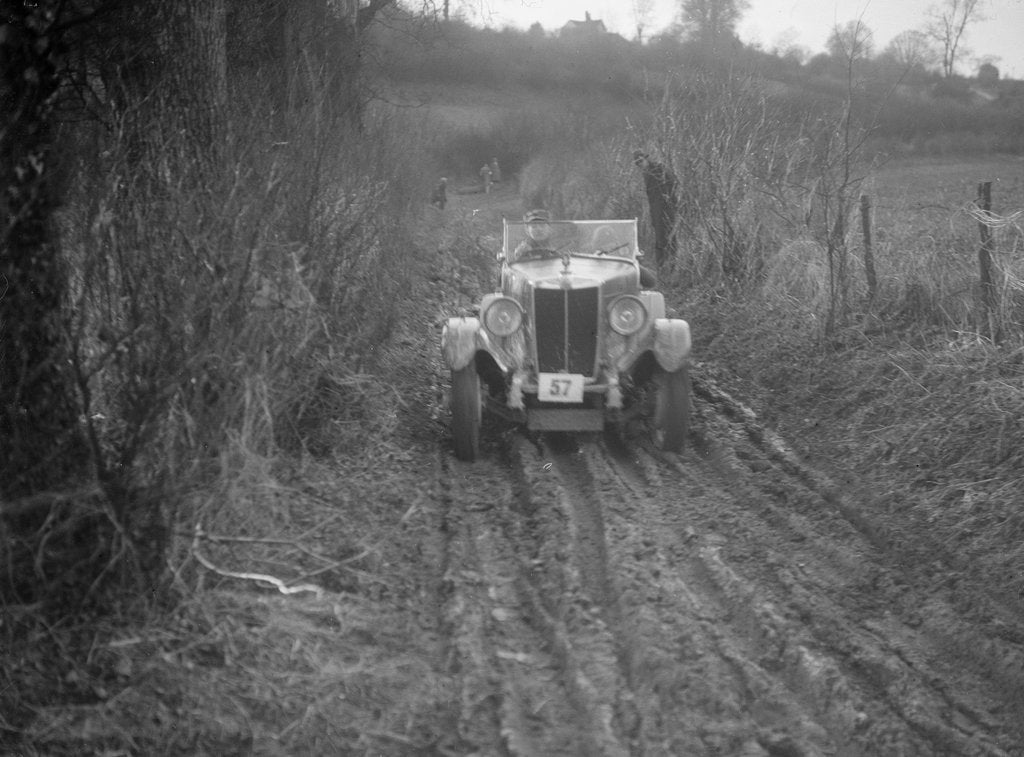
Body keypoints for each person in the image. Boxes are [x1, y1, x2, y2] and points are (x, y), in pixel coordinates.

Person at [633, 151, 679, 267]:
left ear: (646, 159)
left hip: (667, 208)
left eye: (641, 161)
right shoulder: (646, 174)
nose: (640, 165)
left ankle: (673, 265)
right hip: (656, 210)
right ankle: (661, 267)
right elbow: (651, 196)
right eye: (637, 163)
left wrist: (670, 201)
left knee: (671, 236)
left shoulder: (659, 168)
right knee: (660, 238)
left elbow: (673, 183)